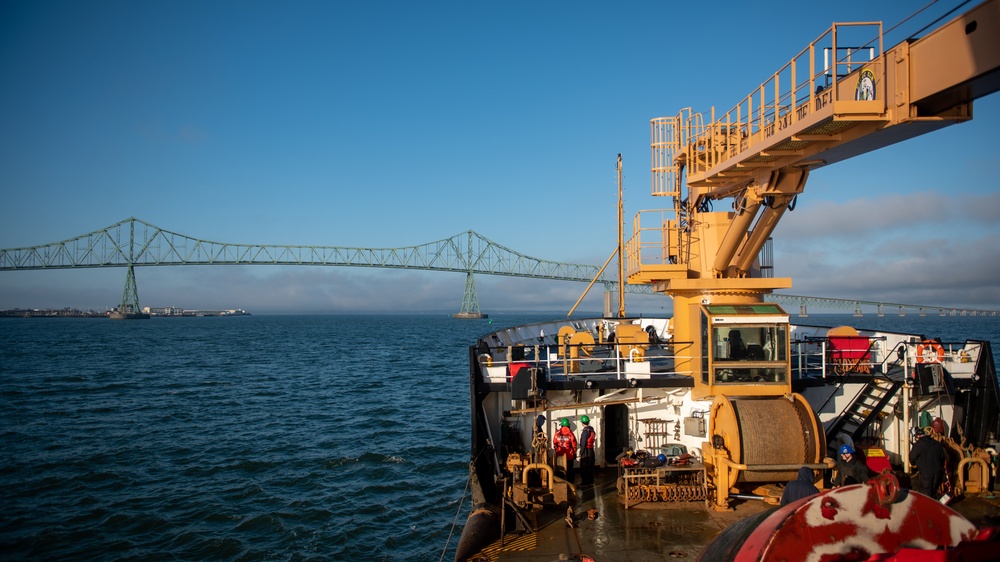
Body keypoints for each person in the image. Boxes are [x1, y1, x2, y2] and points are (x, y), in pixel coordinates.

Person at [909, 427, 946, 498]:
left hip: (926, 474)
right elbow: (942, 457)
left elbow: (912, 457)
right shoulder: (937, 443)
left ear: (916, 436)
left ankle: (929, 508)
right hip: (938, 473)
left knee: (926, 495)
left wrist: (914, 464)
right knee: (934, 492)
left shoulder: (918, 445)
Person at [553, 418, 577, 483]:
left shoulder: (557, 433)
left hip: (560, 455)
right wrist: (574, 452)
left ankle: (561, 483)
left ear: (562, 425)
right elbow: (574, 444)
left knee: (560, 470)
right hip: (569, 455)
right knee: (570, 470)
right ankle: (570, 484)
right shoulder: (570, 433)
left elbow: (555, 443)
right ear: (568, 425)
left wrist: (557, 450)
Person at [578, 415, 596, 486]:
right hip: (591, 450)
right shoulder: (592, 430)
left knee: (584, 467)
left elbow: (583, 443)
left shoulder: (585, 431)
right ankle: (591, 481)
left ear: (582, 423)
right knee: (591, 466)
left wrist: (581, 452)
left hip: (586, 451)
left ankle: (584, 482)